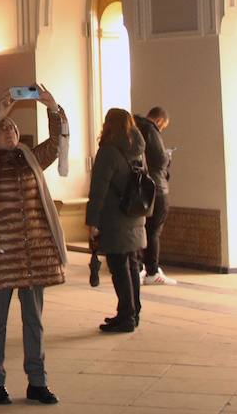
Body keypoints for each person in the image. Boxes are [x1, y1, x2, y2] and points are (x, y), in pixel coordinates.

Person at [0, 86, 65, 406]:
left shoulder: (30, 159)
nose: (10, 132)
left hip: (34, 253)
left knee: (34, 320)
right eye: (4, 129)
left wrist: (51, 107)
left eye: (13, 128)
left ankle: (37, 381)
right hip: (2, 254)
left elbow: (56, 143)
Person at [87, 108, 148, 334]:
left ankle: (126, 317)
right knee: (131, 265)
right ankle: (133, 312)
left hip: (114, 220)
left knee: (119, 269)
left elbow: (98, 190)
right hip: (135, 216)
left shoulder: (108, 152)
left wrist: (92, 221)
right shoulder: (138, 151)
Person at [134, 106, 175, 285]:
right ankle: (152, 271)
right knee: (154, 231)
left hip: (140, 188)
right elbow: (159, 159)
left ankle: (139, 267)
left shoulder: (134, 128)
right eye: (163, 126)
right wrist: (168, 155)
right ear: (159, 120)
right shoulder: (151, 130)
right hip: (157, 188)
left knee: (143, 228)